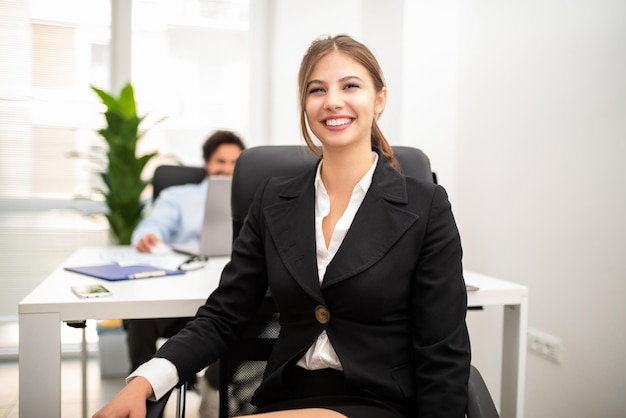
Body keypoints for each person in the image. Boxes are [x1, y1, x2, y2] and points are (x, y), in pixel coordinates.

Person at [94, 34, 470, 418]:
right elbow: (225, 314)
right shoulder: (273, 200)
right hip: (286, 398)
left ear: (380, 99)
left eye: (350, 86)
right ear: (305, 105)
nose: (333, 101)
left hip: (378, 401)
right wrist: (146, 379)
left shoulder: (427, 206)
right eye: (317, 89)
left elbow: (443, 350)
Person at [124, 130, 245, 412]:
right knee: (140, 315)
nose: (226, 169)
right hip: (177, 299)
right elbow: (153, 225)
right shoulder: (178, 195)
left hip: (225, 292)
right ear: (206, 163)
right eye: (220, 161)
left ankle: (214, 387)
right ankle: (144, 401)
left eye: (234, 163)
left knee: (249, 314)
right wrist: (148, 237)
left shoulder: (254, 197)